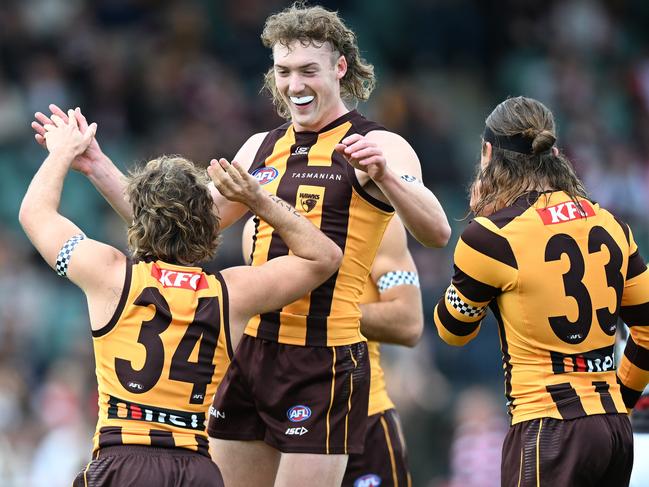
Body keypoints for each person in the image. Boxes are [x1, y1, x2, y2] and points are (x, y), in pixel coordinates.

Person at [32, 4, 451, 485]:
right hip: (250, 350)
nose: (295, 85)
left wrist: (386, 177)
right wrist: (97, 165)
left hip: (323, 357)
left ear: (340, 67)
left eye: (308, 71)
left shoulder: (378, 144)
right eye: (284, 71)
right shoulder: (259, 148)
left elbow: (437, 233)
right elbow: (178, 228)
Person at [20, 112, 342, 486]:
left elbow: (35, 213)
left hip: (121, 461)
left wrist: (61, 152)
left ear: (137, 221)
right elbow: (325, 256)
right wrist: (258, 200)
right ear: (209, 226)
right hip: (194, 468)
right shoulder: (231, 293)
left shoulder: (108, 273)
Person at [433, 96, 649, 487]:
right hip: (615, 431)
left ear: (487, 153)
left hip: (546, 427)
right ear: (553, 151)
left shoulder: (490, 236)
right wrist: (622, 398)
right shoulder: (611, 223)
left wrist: (465, 280)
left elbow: (453, 330)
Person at [241, 214, 422, 487]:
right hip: (282, 423)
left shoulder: (380, 222)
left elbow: (408, 322)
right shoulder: (259, 225)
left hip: (363, 418)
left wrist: (331, 312)